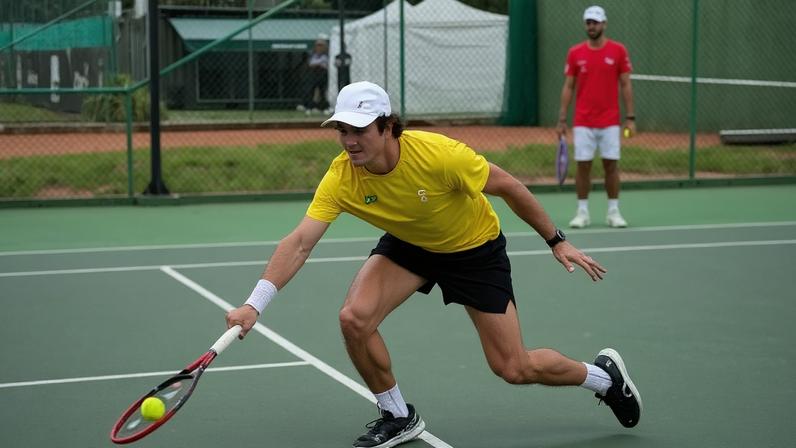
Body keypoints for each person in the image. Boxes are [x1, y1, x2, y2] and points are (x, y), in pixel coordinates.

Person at [227, 81, 642, 448]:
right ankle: (397, 416)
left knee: (513, 367)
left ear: (388, 127)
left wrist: (556, 241)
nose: (349, 140)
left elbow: (509, 187)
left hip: (473, 251)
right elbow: (300, 242)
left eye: (360, 130)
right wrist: (254, 304)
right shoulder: (342, 177)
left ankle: (604, 378)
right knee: (355, 318)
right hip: (411, 245)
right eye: (342, 130)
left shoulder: (440, 155)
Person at [557, 5, 635, 229]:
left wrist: (631, 117)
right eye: (588, 22)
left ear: (604, 24)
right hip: (583, 121)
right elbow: (569, 86)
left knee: (611, 165)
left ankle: (613, 212)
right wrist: (562, 119)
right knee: (583, 166)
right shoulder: (575, 53)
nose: (591, 26)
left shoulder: (618, 50)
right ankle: (582, 213)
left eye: (595, 22)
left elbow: (626, 84)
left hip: (610, 121)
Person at [296, 38, 330, 114]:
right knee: (310, 90)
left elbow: (324, 64)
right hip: (313, 75)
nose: (319, 47)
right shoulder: (312, 55)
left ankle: (324, 108)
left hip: (324, 75)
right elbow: (311, 64)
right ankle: (309, 107)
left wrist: (317, 64)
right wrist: (319, 64)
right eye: (317, 45)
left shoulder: (327, 55)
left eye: (321, 45)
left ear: (325, 47)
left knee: (323, 92)